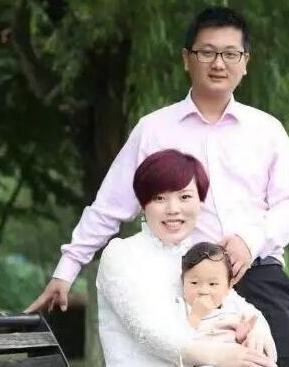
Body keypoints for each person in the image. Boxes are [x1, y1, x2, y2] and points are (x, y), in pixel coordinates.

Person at [26, 6, 289, 367]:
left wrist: (249, 242)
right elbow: (109, 205)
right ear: (186, 59)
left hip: (257, 274)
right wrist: (67, 269)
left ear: (245, 62)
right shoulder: (154, 129)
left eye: (230, 54)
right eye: (206, 52)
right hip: (183, 284)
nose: (218, 63)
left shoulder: (267, 130)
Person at [97, 149, 276, 366]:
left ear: (200, 201)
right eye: (159, 198)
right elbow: (150, 332)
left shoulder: (196, 254)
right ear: (143, 205)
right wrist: (220, 356)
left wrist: (257, 331)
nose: (173, 209)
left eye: (185, 197)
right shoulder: (122, 254)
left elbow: (237, 304)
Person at [181, 241, 274, 354]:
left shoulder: (236, 306)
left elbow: (259, 327)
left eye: (212, 284)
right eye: (194, 283)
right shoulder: (180, 308)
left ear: (229, 286)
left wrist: (244, 337)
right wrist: (195, 316)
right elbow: (175, 345)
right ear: (182, 282)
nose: (203, 291)